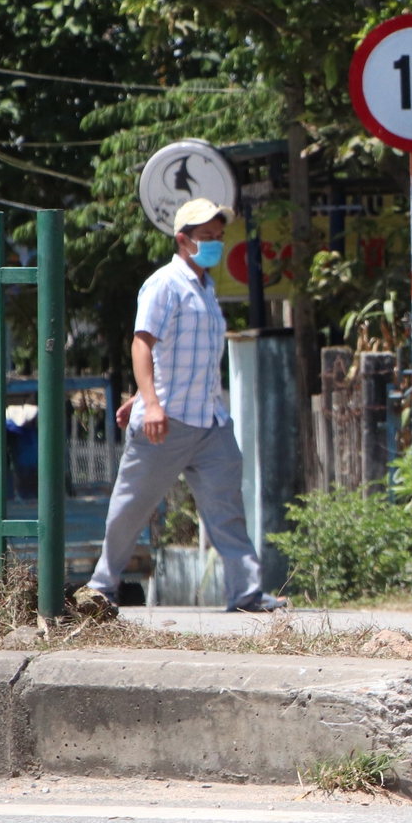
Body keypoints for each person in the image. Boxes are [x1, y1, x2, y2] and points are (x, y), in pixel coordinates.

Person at [73, 198, 286, 618]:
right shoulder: (164, 284)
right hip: (165, 424)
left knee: (226, 507)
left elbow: (185, 358)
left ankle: (246, 594)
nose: (214, 245)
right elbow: (142, 343)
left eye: (219, 238)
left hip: (209, 422)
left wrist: (141, 394)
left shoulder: (206, 288)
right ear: (183, 239)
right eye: (206, 238)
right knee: (132, 505)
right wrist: (150, 403)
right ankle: (101, 588)